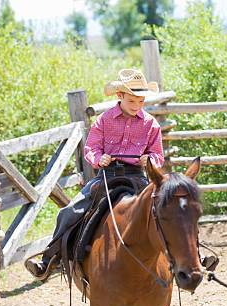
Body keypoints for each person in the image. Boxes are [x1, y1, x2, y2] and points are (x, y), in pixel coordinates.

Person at [25, 68, 164, 278]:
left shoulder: (150, 124)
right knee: (69, 212)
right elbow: (91, 149)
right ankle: (50, 261)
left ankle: (192, 260)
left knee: (168, 209)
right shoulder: (104, 120)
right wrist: (100, 159)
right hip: (107, 176)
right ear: (120, 96)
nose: (136, 106)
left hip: (137, 176)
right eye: (132, 101)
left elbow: (157, 154)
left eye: (141, 102)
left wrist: (150, 160)